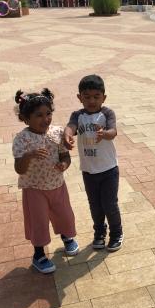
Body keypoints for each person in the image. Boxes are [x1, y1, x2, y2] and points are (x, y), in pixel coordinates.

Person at [12, 89, 79, 274]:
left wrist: (64, 164)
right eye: (38, 115)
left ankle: (67, 237)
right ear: (25, 119)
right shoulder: (22, 139)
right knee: (39, 222)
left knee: (64, 215)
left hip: (57, 185)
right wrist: (28, 155)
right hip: (34, 189)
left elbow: (65, 156)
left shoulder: (57, 132)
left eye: (48, 113)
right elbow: (19, 168)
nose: (45, 119)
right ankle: (39, 255)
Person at [63, 75, 124, 252]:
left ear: (103, 98)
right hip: (88, 171)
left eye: (96, 96)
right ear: (79, 97)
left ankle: (116, 233)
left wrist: (105, 133)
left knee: (109, 204)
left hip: (108, 169)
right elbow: (71, 127)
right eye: (87, 96)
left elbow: (113, 131)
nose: (91, 100)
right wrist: (67, 135)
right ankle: (99, 233)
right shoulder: (78, 115)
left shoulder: (106, 113)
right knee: (95, 205)